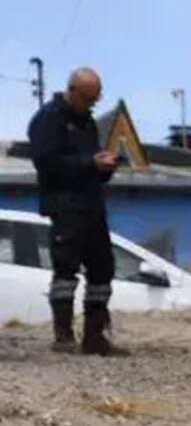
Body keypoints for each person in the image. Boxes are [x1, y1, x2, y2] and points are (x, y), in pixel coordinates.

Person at [26, 67, 126, 356]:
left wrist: (104, 166)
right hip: (65, 205)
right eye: (87, 98)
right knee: (66, 269)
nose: (92, 104)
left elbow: (89, 162)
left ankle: (95, 336)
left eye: (96, 99)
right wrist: (89, 164)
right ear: (72, 91)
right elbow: (47, 162)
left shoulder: (87, 123)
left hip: (92, 204)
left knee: (102, 268)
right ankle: (63, 334)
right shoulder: (48, 119)